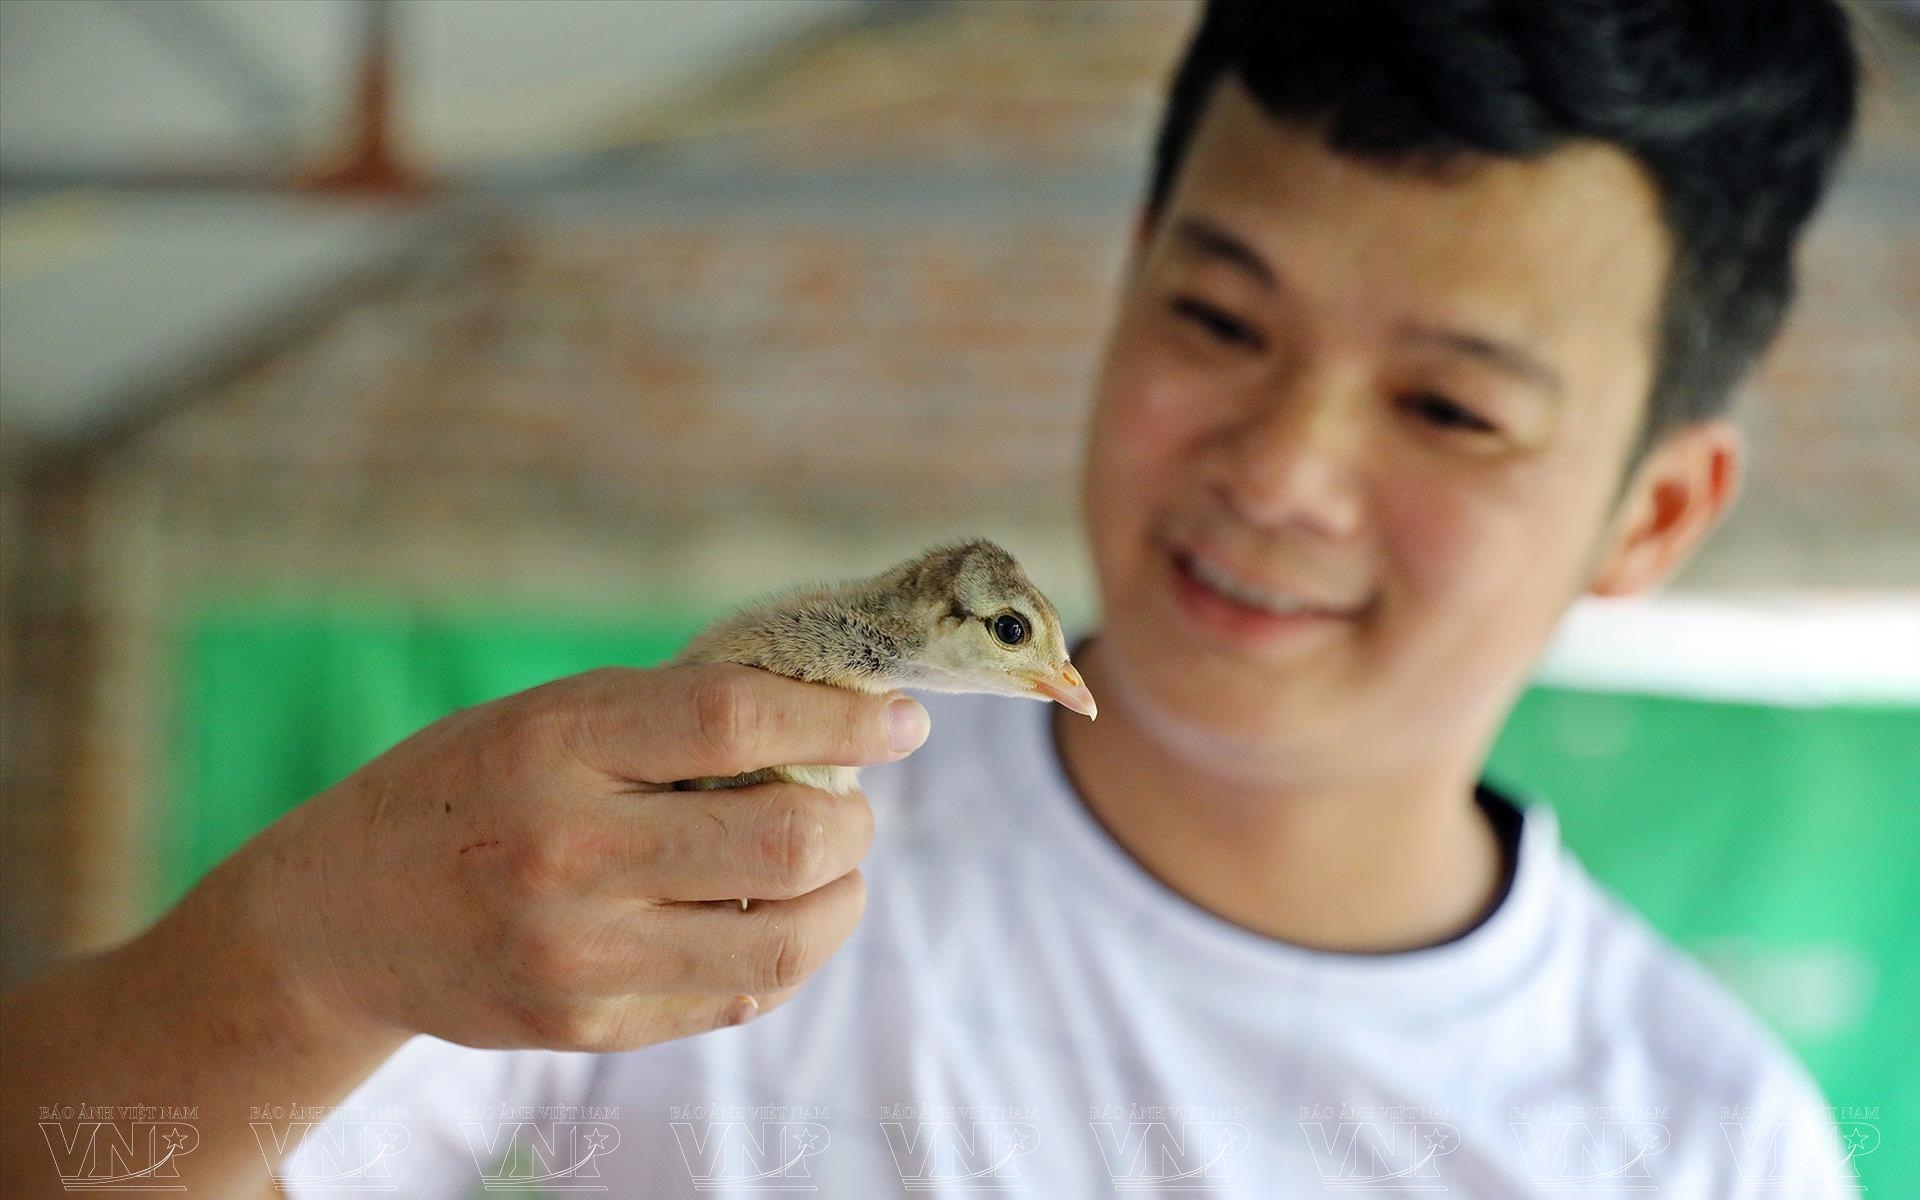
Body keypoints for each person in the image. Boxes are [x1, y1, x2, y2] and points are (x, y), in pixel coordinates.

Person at [2, 0, 1864, 1195]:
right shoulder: (692, 833)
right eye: (1218, 319)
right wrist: (299, 952)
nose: (1280, 471)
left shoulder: (1707, 1145)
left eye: (1451, 407)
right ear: (1126, 281)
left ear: (1658, 509)